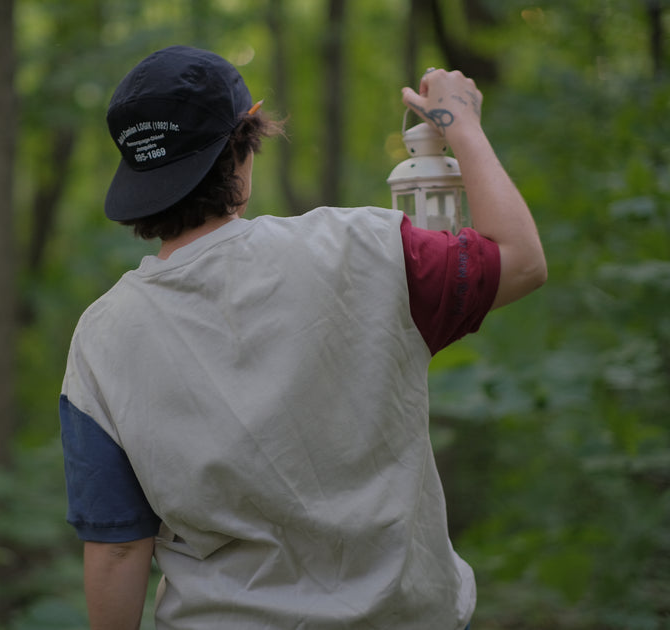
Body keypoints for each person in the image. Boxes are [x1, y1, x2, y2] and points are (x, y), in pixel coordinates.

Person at [59, 45, 546, 630]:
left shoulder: (102, 335)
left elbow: (117, 548)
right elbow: (520, 261)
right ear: (248, 136)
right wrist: (460, 125)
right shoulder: (362, 249)